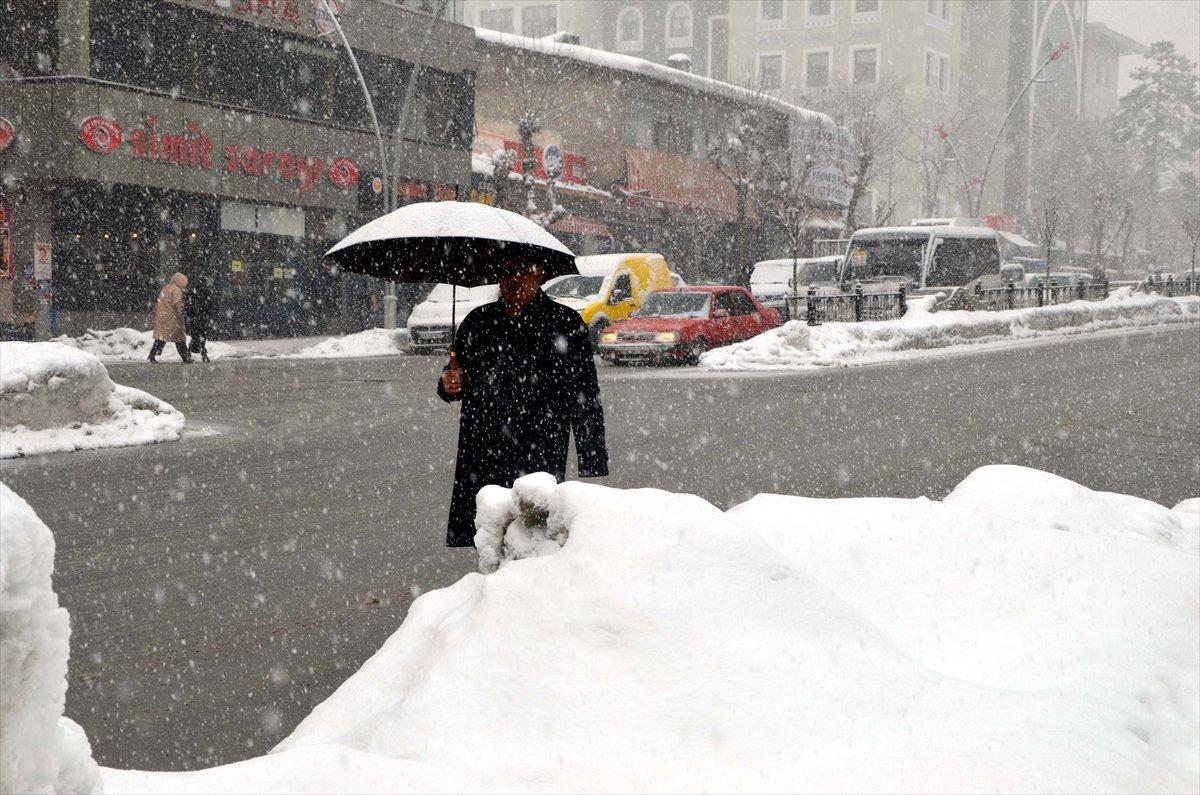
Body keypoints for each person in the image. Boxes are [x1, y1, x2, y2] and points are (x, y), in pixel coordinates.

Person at [437, 257, 608, 547]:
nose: (512, 279)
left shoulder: (564, 323)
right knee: (491, 535)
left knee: (534, 536)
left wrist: (591, 457)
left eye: (520, 271)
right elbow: (456, 379)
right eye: (505, 272)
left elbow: (585, 395)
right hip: (484, 446)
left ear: (539, 274)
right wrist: (448, 383)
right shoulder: (478, 322)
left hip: (539, 446)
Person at [149, 272, 191, 363]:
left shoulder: (165, 288)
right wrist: (183, 312)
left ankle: (152, 355)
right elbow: (177, 303)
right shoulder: (177, 290)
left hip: (162, 316)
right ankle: (186, 358)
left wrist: (156, 312)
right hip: (173, 318)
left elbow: (159, 301)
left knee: (161, 338)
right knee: (180, 339)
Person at [186, 275, 215, 363]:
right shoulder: (207, 292)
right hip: (203, 318)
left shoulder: (194, 292)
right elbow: (210, 306)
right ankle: (203, 354)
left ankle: (190, 352)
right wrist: (210, 315)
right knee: (202, 336)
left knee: (195, 336)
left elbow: (190, 306)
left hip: (195, 318)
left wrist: (190, 315)